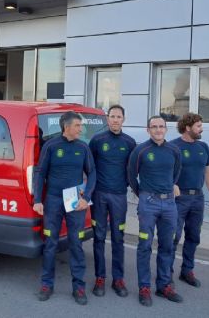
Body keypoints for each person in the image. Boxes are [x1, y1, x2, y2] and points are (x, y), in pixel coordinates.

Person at [33, 111, 96, 306]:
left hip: (74, 202)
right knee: (50, 242)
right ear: (66, 127)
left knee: (75, 243)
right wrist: (37, 200)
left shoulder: (83, 147)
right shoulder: (51, 146)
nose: (80, 129)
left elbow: (92, 173)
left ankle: (78, 286)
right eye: (77, 125)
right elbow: (40, 173)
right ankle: (46, 284)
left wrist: (87, 197)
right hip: (53, 200)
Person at [127, 115, 183, 307]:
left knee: (168, 245)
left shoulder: (174, 150)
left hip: (169, 204)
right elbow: (131, 175)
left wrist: (168, 188)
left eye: (161, 126)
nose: (158, 130)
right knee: (145, 245)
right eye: (154, 127)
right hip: (148, 203)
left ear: (166, 129)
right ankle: (144, 287)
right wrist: (142, 194)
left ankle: (164, 285)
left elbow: (176, 173)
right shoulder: (140, 150)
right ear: (148, 130)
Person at [88, 105, 136, 298]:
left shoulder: (130, 142)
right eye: (112, 116)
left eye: (119, 117)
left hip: (119, 197)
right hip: (99, 195)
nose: (115, 120)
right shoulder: (97, 140)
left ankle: (118, 279)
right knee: (99, 237)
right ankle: (100, 277)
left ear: (123, 119)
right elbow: (89, 168)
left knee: (118, 238)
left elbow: (133, 170)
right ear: (107, 119)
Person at [170, 113, 209, 287]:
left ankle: (187, 271)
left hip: (198, 198)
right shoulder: (173, 146)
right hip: (178, 198)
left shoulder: (203, 146)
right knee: (174, 236)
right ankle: (167, 272)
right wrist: (171, 184)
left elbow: (208, 172)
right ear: (188, 127)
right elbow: (165, 169)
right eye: (198, 126)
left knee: (193, 236)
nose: (201, 129)